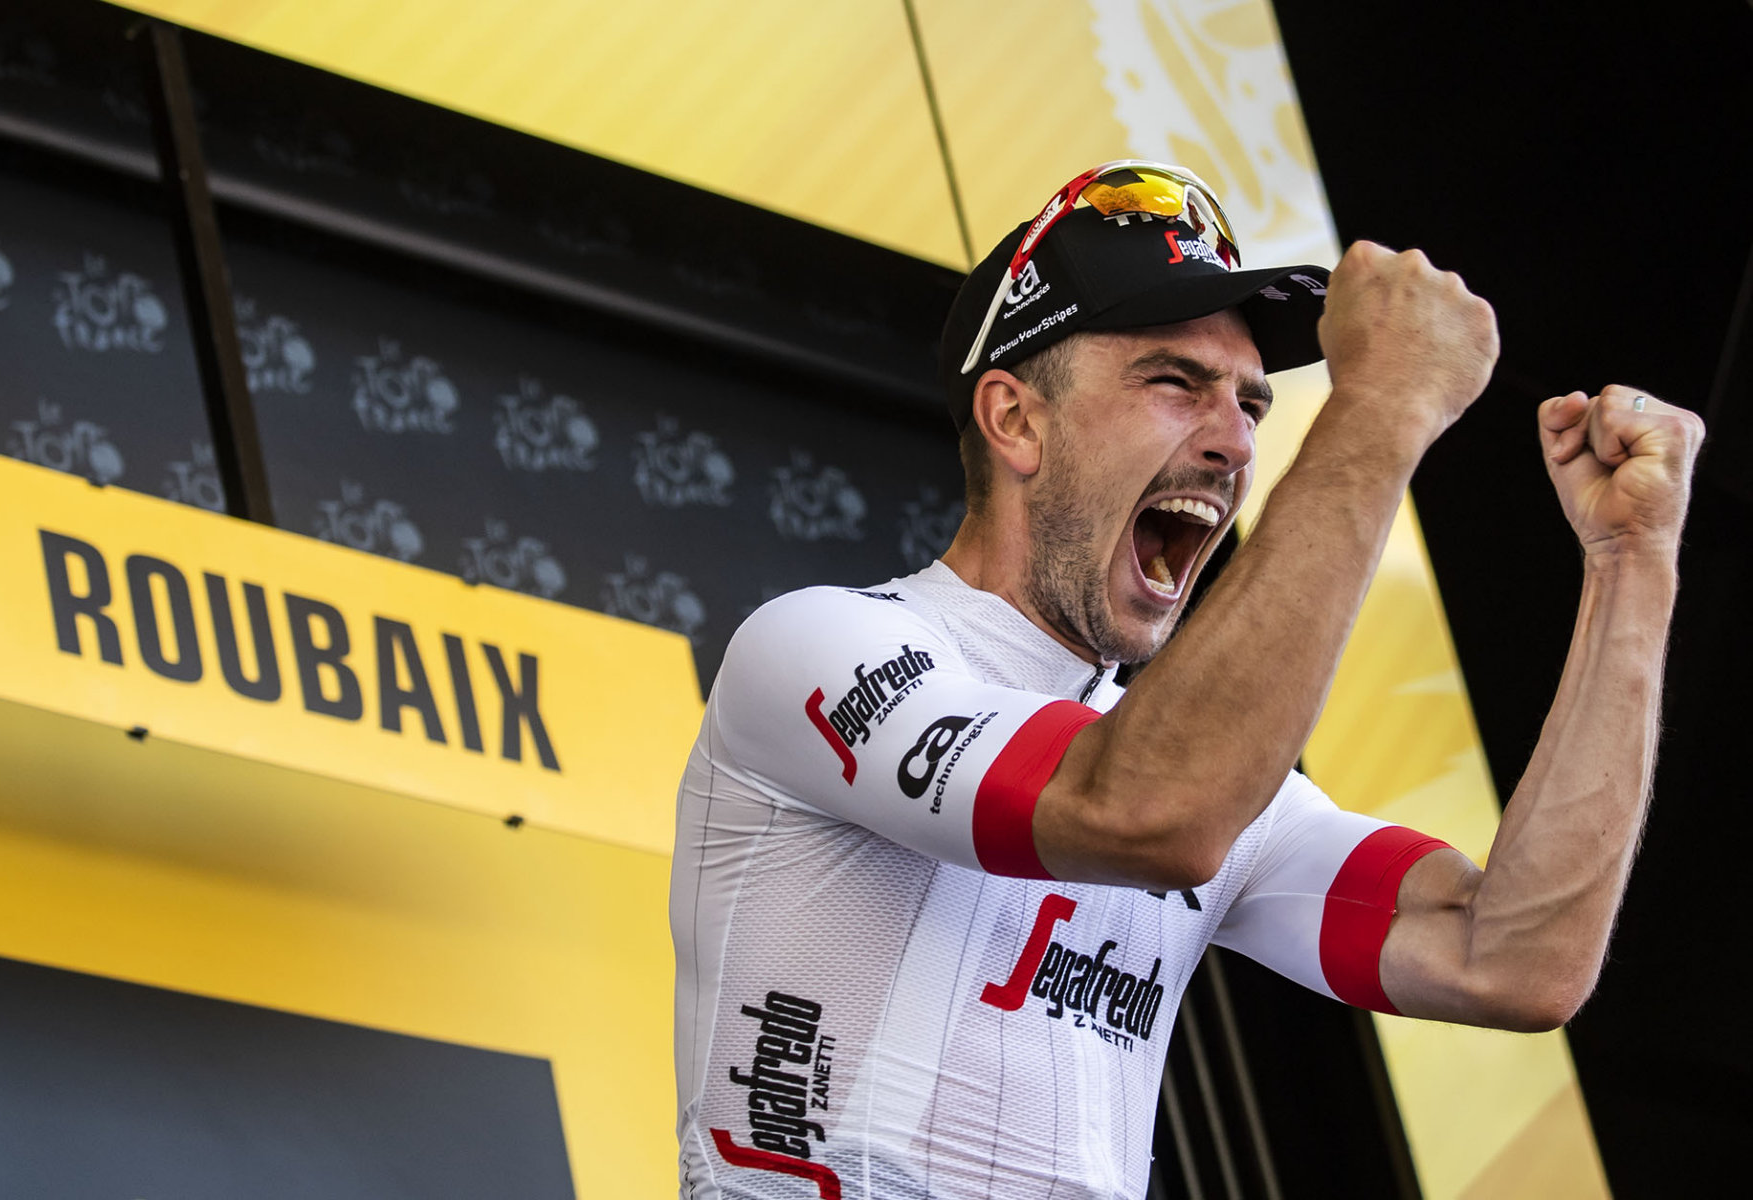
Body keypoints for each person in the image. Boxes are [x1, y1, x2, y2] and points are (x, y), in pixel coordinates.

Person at [670, 160, 1702, 1198]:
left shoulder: (1223, 790)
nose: (1234, 440)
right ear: (1015, 419)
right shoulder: (816, 648)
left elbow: (1513, 961)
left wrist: (1631, 562)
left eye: (1252, 401)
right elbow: (1143, 809)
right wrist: (1382, 405)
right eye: (1174, 382)